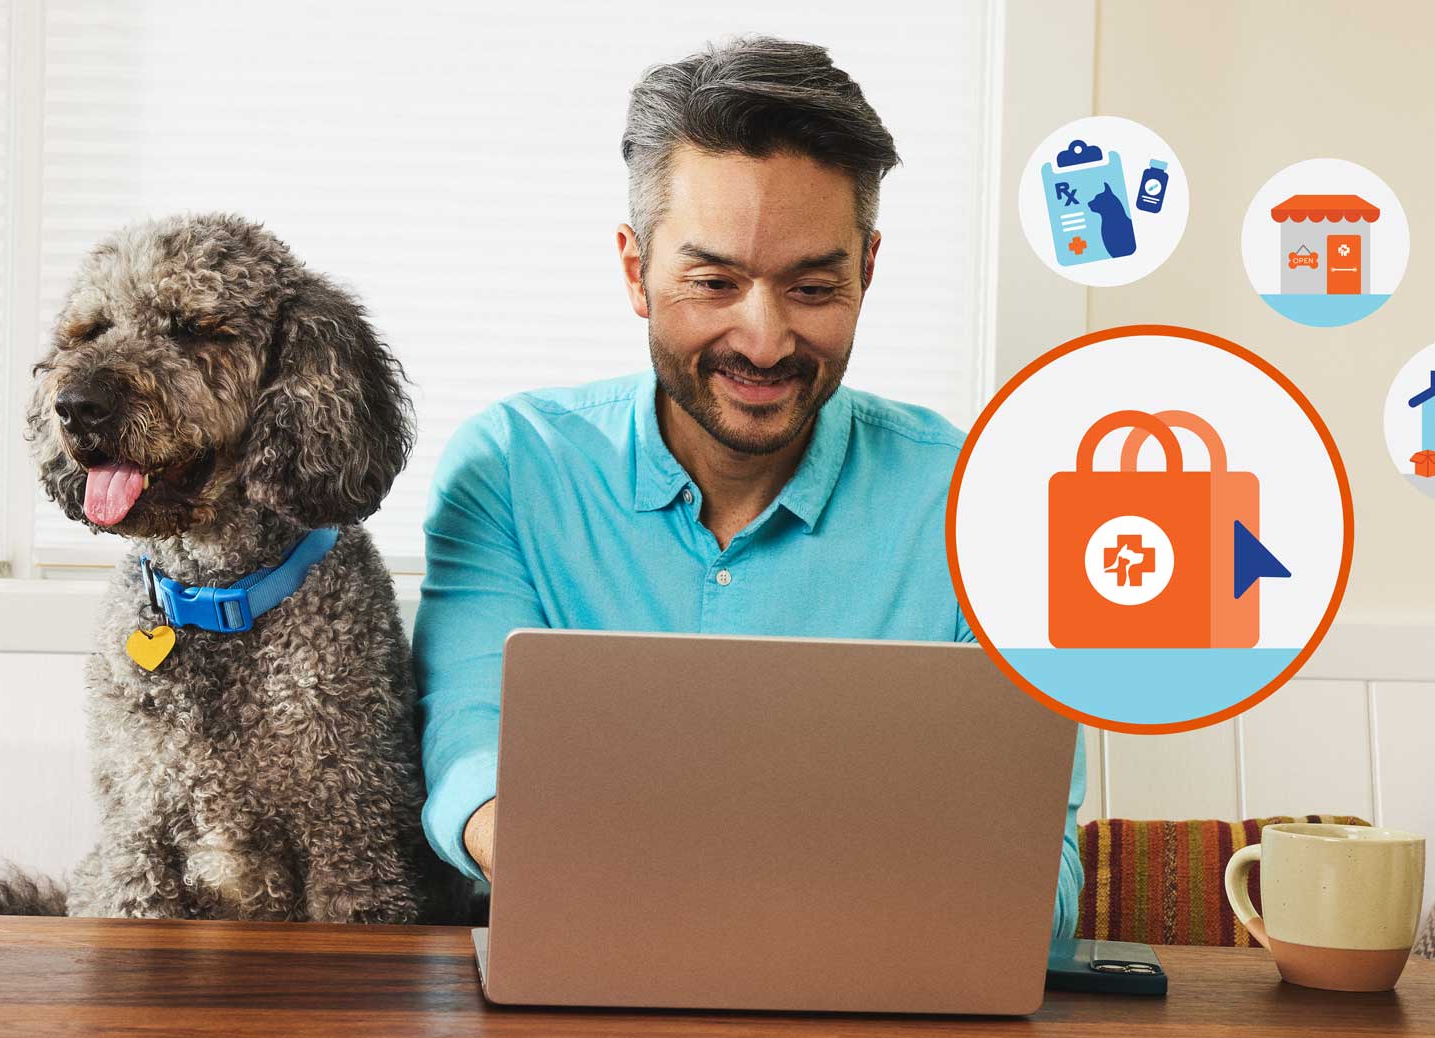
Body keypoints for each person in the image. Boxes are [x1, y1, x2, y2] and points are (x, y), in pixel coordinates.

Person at [413, 35, 1085, 938]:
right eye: (714, 281)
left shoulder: (987, 509)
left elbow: (1040, 880)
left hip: (885, 995)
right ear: (634, 270)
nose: (764, 342)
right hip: (579, 969)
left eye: (812, 287)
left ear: (868, 271)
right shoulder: (512, 469)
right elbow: (470, 764)